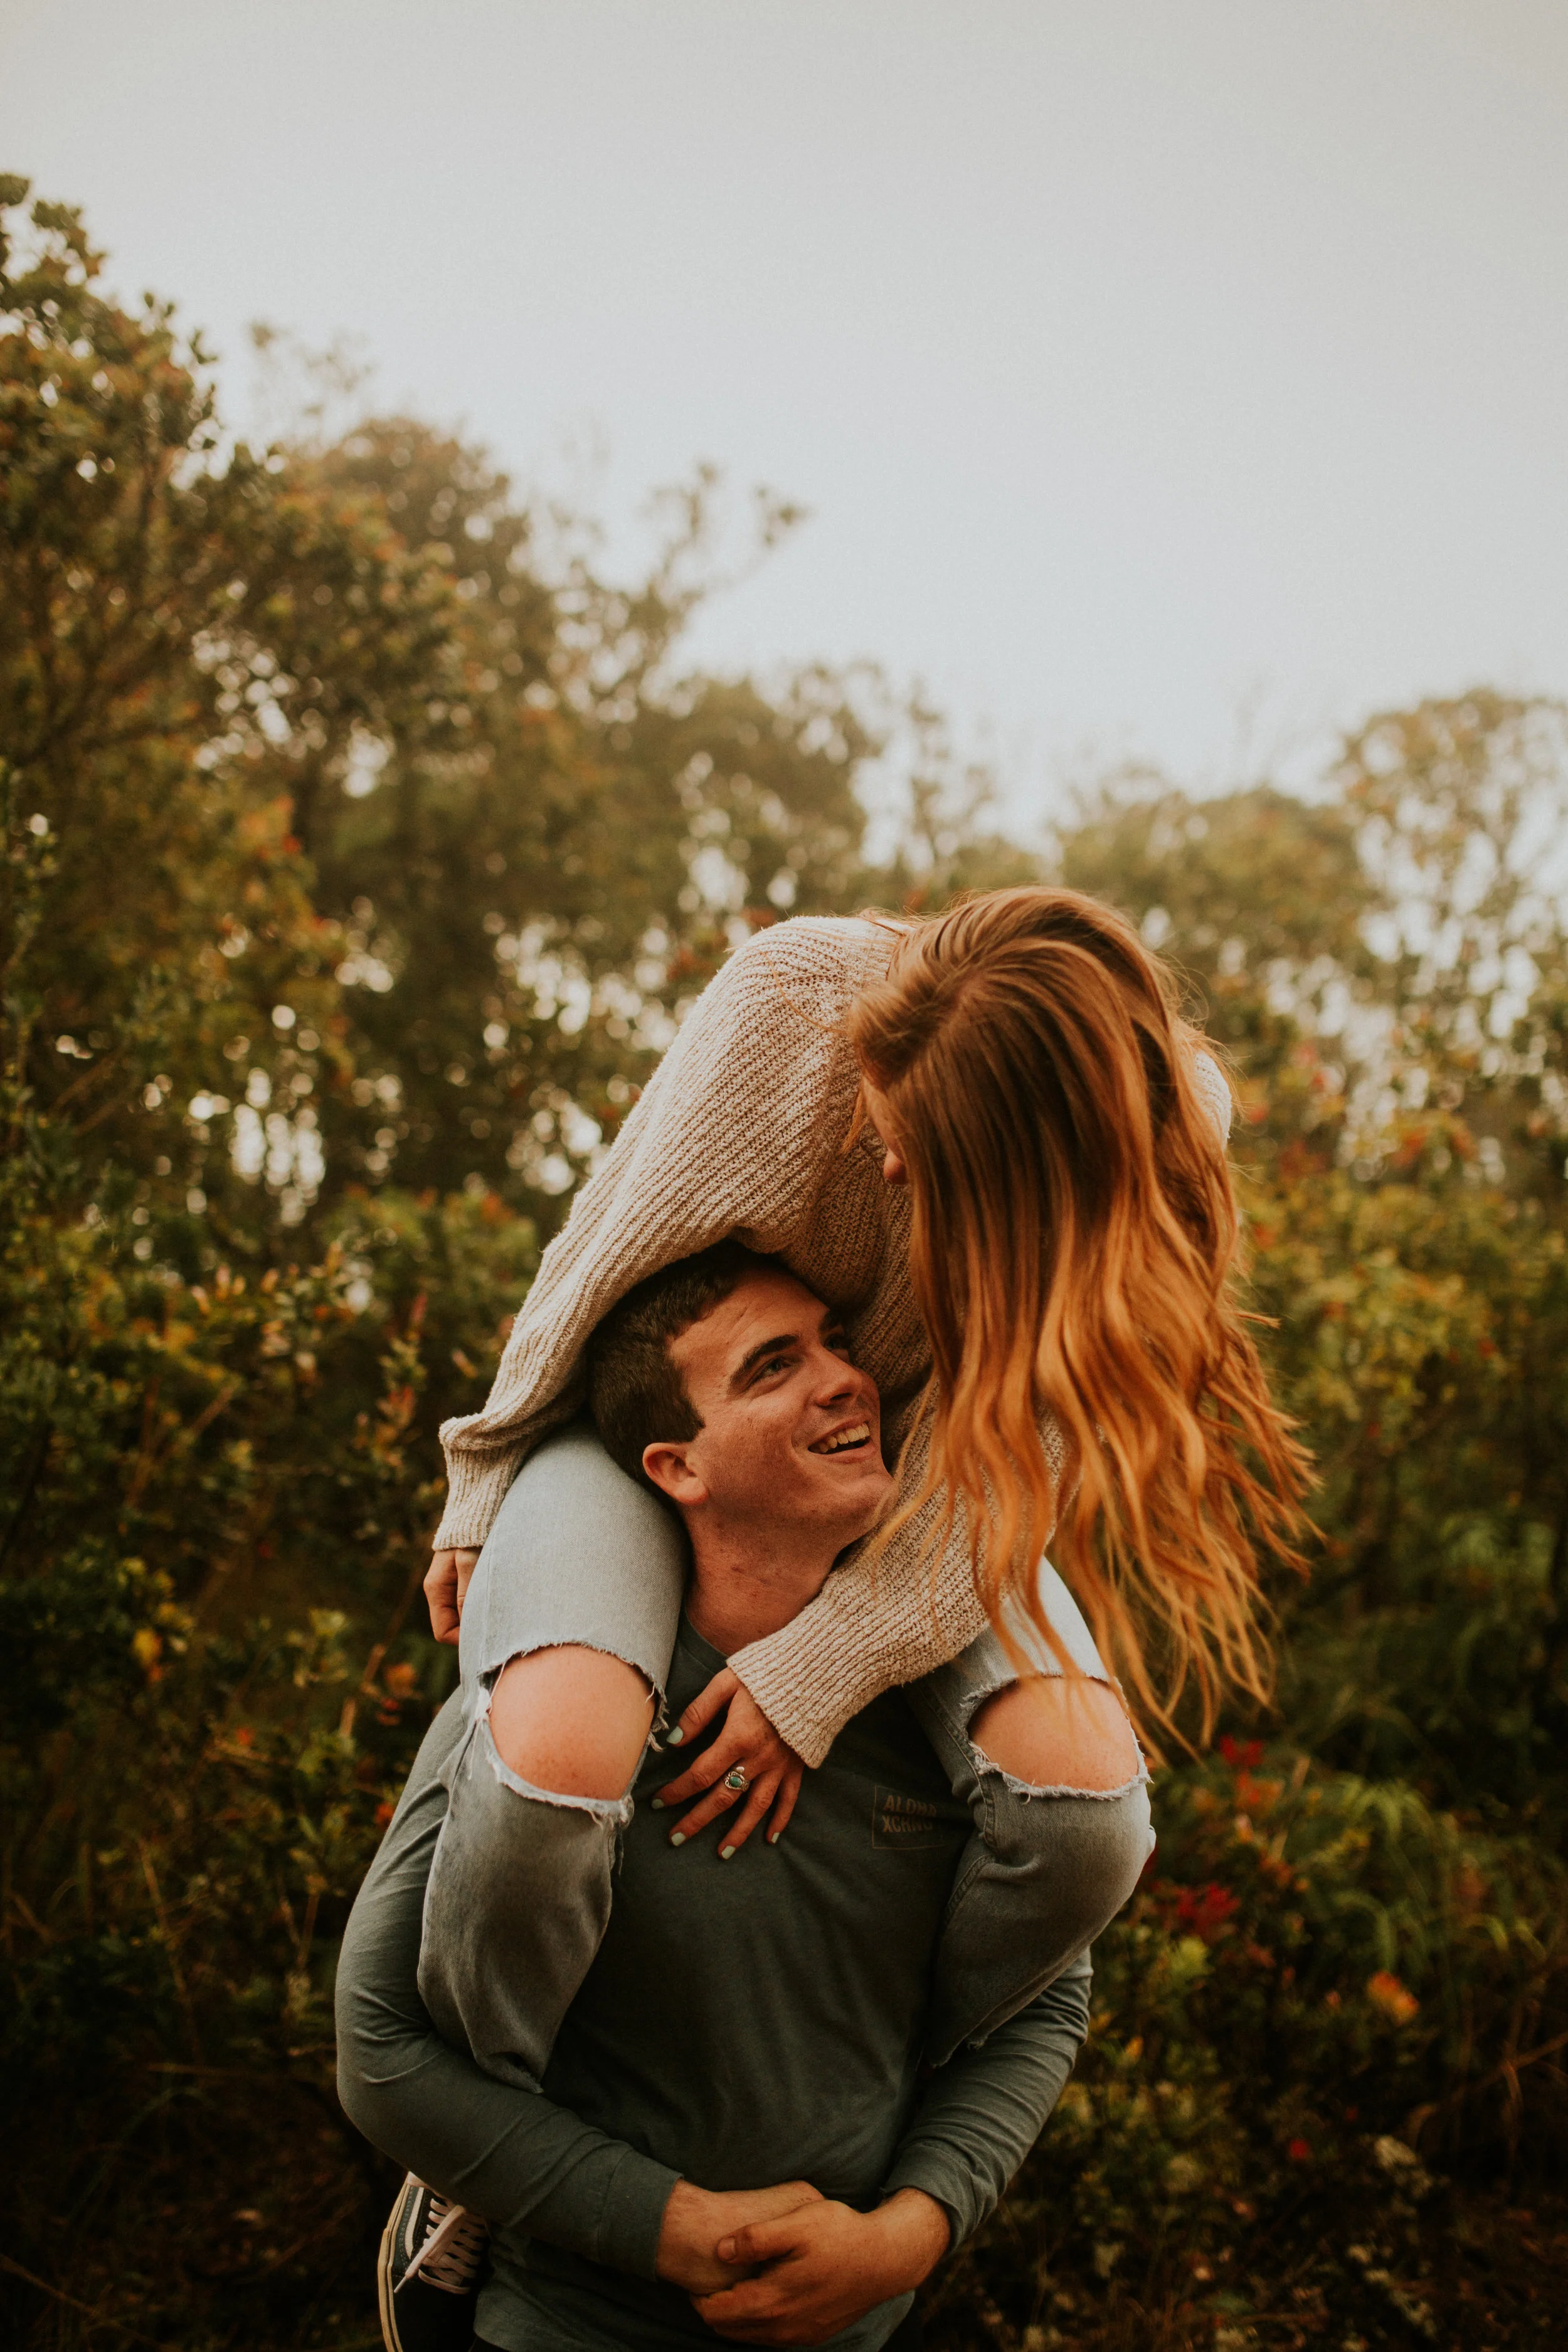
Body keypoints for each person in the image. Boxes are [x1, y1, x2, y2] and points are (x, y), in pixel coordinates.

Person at [337, 1245, 1153, 2352]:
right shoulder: (565, 1706)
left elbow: (1043, 2001)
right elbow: (381, 2046)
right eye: (774, 1367)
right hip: (566, 2324)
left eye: (838, 1344)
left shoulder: (947, 1722)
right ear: (677, 1465)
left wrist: (911, 2232)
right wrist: (669, 2228)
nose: (846, 1379)